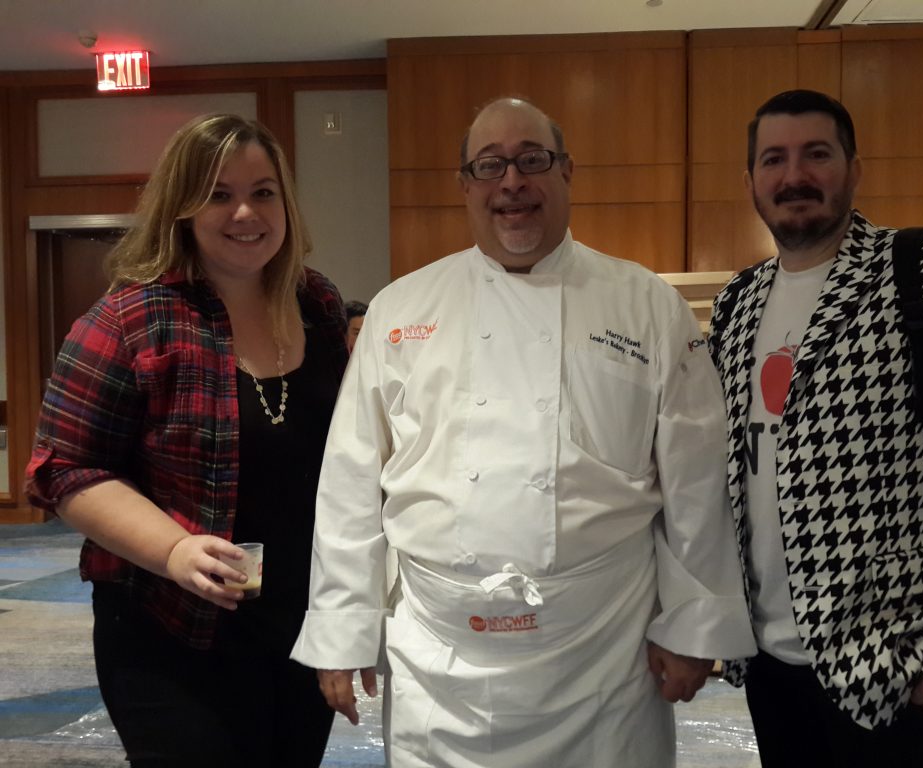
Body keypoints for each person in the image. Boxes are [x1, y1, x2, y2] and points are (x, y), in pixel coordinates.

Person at [290, 96, 756, 767]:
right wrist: (342, 627)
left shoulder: (646, 305)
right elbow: (351, 480)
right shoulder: (401, 309)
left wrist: (694, 623)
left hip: (601, 653)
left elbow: (697, 476)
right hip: (439, 659)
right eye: (490, 165)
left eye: (532, 160)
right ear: (466, 185)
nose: (511, 182)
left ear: (566, 171)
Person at [707, 89, 923, 768]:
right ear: (750, 181)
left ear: (854, 168)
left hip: (893, 671)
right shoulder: (736, 302)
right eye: (774, 159)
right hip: (768, 664)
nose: (795, 176)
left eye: (816, 155)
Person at [25, 114, 348, 767]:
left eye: (263, 192)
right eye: (219, 194)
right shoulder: (130, 319)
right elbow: (64, 470)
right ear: (182, 207)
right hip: (170, 629)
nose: (245, 212)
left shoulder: (317, 302)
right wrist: (173, 550)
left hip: (299, 621)